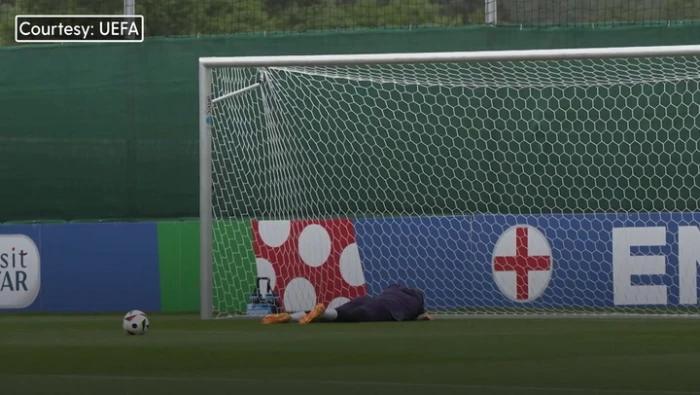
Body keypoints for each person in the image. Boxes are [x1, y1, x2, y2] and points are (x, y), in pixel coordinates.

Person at [262, 284, 432, 324]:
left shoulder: (395, 288)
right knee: (352, 316)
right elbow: (422, 315)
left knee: (335, 310)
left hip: (369, 298)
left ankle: (290, 316)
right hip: (386, 309)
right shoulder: (417, 301)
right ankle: (320, 314)